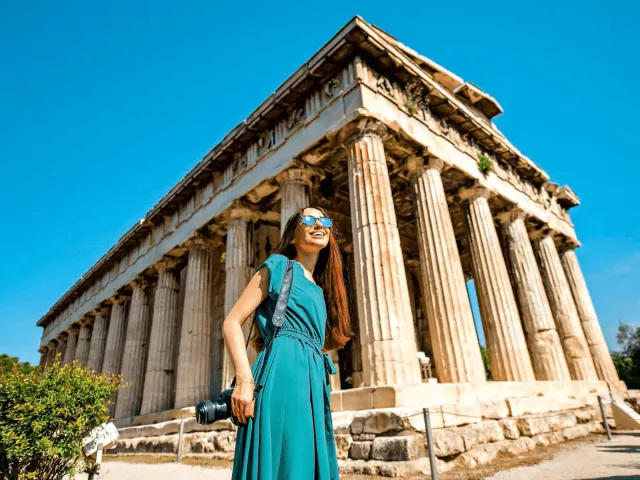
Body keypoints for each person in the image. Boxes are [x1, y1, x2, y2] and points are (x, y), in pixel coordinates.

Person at [222, 206, 352, 480]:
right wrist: (244, 381)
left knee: (306, 459)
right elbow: (232, 321)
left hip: (313, 381)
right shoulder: (278, 266)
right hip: (282, 373)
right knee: (287, 457)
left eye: (324, 221)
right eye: (309, 219)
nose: (319, 225)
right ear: (292, 235)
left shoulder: (320, 289)